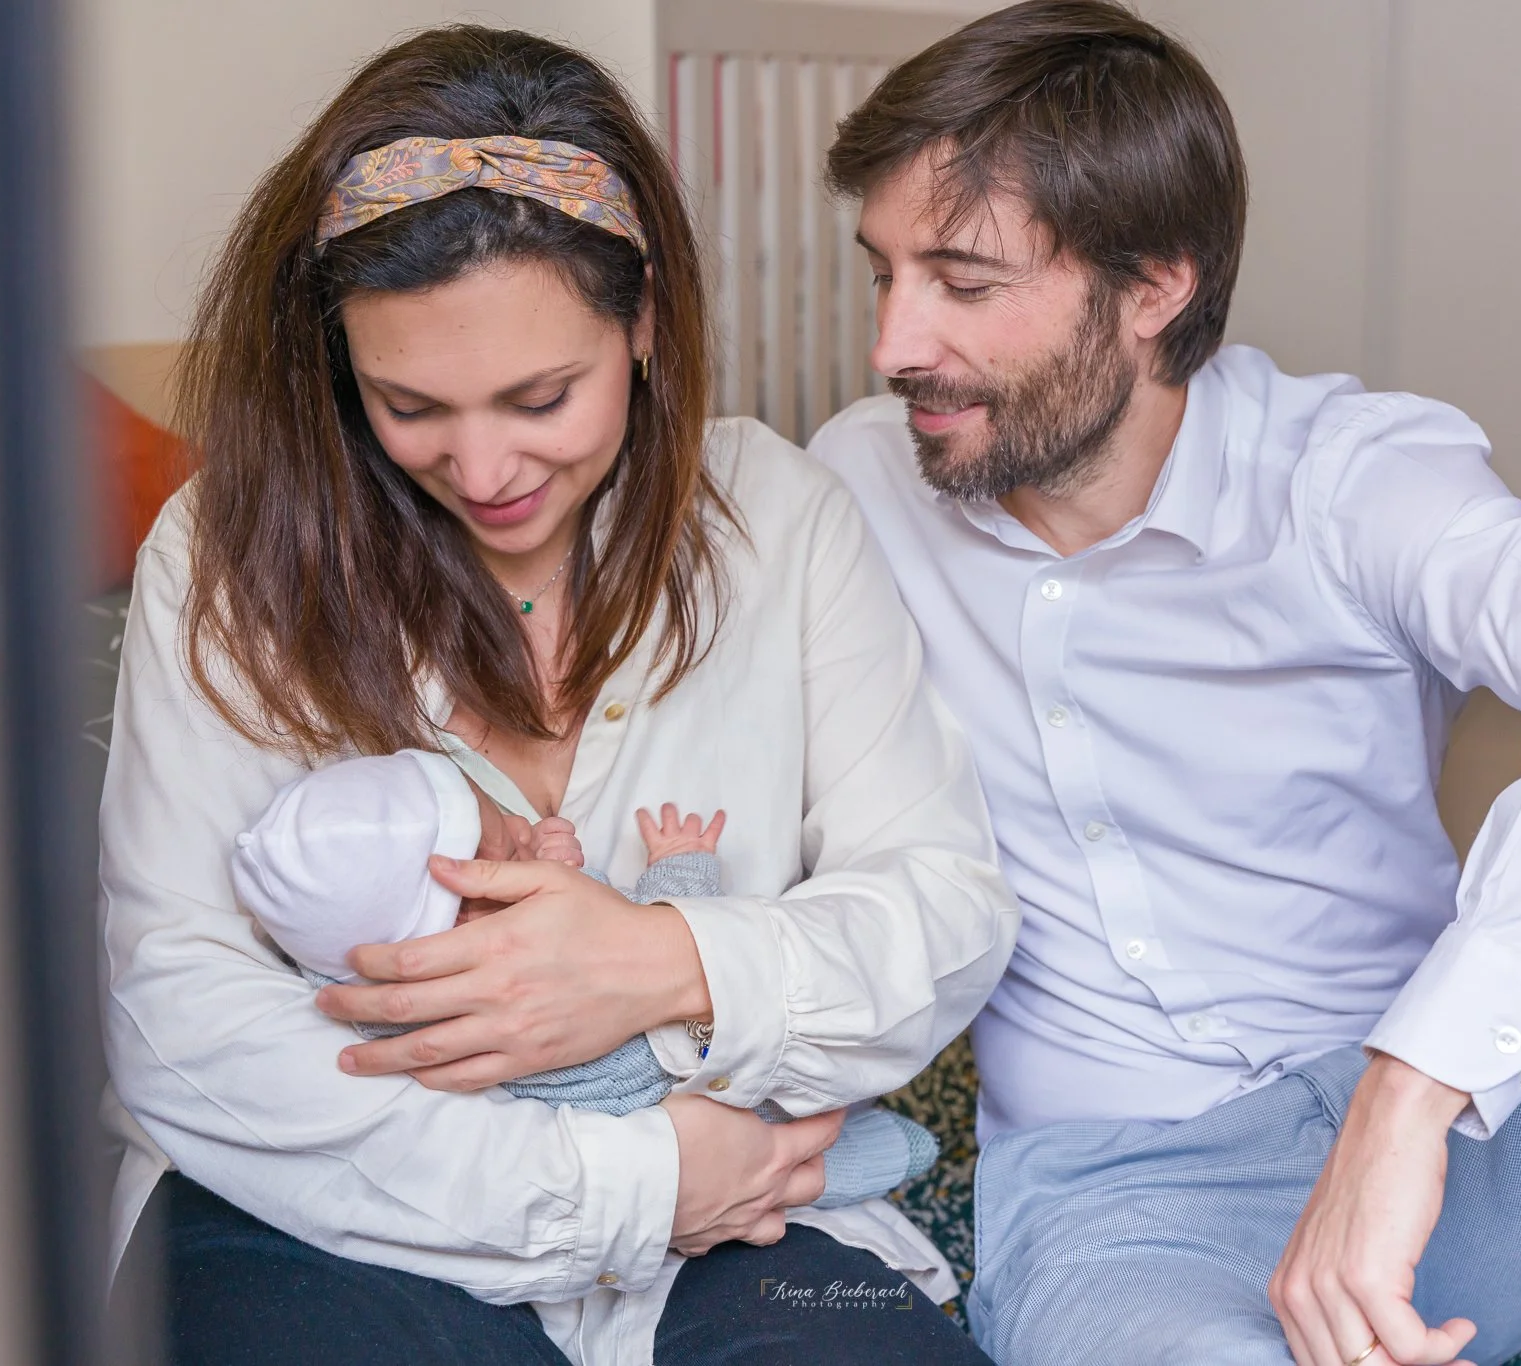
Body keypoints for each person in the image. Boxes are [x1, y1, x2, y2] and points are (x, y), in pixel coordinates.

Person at [808, 3, 1521, 1363]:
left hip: (1459, 1157)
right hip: (1129, 1207)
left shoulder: (1344, 474)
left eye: (960, 282)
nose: (894, 341)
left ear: (1152, 288)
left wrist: (1411, 1083)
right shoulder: (853, 483)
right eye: (880, 273)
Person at [97, 24, 1012, 1366]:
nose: (482, 467)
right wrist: (627, 1184)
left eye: (542, 396)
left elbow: (943, 910)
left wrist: (659, 964)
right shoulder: (227, 548)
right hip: (336, 1211)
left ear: (642, 320)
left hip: (763, 1211)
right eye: (409, 404)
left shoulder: (779, 520)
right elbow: (174, 1012)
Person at [230, 750, 941, 1203]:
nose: (524, 827)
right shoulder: (505, 958)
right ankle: (839, 1164)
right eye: (505, 844)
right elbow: (648, 929)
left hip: (612, 1134)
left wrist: (547, 855)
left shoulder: (380, 994)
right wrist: (679, 868)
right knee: (772, 1146)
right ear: (466, 909)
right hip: (657, 1089)